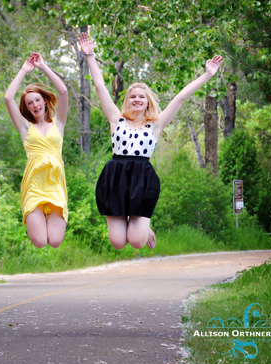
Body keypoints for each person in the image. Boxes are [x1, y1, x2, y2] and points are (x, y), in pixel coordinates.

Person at [79, 32, 223, 250]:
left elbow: (181, 97)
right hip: (116, 177)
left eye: (141, 97)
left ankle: (144, 228)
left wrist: (207, 75)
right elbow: (99, 86)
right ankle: (138, 225)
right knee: (117, 243)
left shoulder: (155, 124)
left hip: (142, 179)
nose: (137, 99)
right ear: (128, 100)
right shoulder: (116, 119)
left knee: (137, 242)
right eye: (133, 96)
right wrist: (90, 55)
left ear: (147, 102)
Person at [4, 52, 69, 248]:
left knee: (55, 241)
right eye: (30, 103)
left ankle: (46, 218)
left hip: (55, 185)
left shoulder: (58, 122)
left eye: (37, 100)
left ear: (44, 101)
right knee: (40, 242)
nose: (35, 105)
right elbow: (8, 97)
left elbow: (63, 91)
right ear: (27, 108)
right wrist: (24, 70)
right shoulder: (25, 127)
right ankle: (35, 220)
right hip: (34, 185)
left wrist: (43, 66)